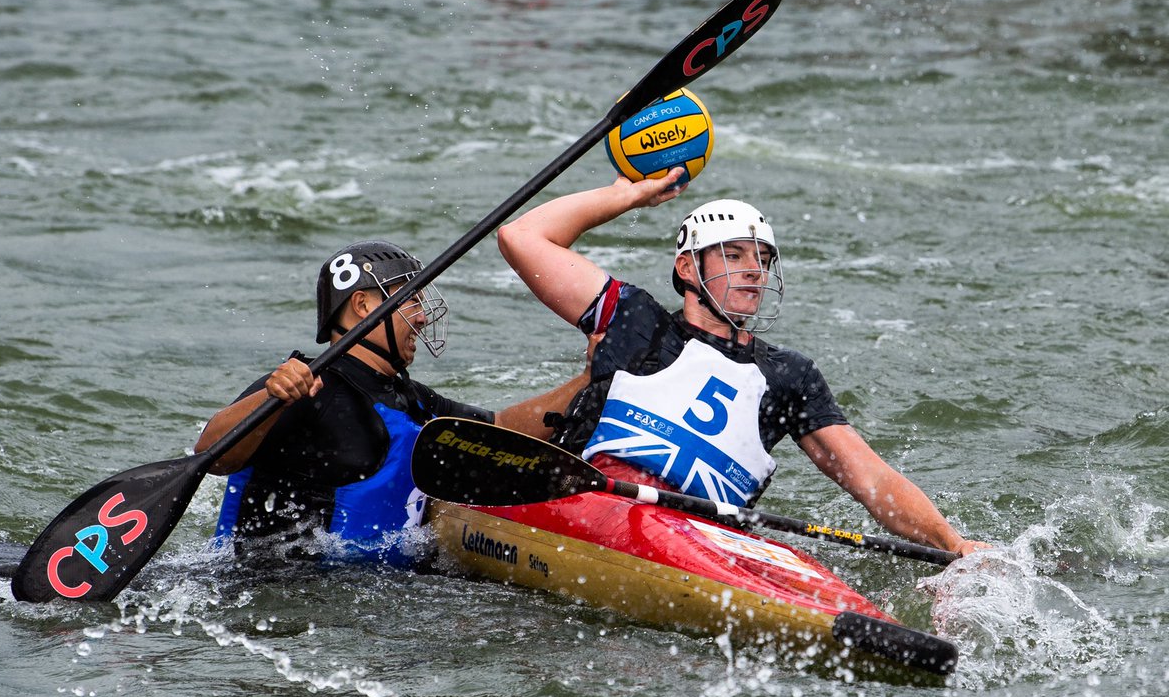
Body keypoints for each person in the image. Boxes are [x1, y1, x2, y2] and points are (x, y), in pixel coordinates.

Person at [497, 170, 989, 558]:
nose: (753, 270)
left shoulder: (790, 376)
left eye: (761, 260)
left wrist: (953, 543)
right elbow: (522, 236)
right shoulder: (635, 320)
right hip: (589, 505)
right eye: (733, 255)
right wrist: (628, 197)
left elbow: (873, 480)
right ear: (688, 268)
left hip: (700, 540)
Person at [195, 239, 590, 563]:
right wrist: (273, 397)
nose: (421, 317)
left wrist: (591, 378)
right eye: (411, 300)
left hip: (368, 598)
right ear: (363, 305)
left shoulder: (413, 400)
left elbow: (501, 430)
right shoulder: (306, 385)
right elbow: (211, 455)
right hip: (283, 597)